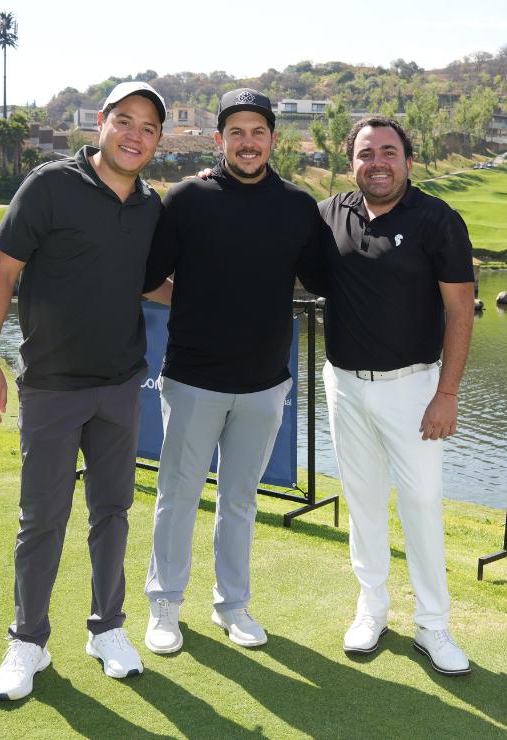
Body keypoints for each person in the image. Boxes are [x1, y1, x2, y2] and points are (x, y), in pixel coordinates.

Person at [0, 81, 166, 701]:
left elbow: (151, 286)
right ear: (101, 124)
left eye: (149, 128)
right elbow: (2, 272)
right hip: (52, 387)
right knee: (42, 519)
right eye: (125, 121)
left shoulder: (150, 208)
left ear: (158, 141)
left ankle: (106, 628)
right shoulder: (50, 185)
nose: (135, 135)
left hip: (121, 386)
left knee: (113, 513)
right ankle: (28, 642)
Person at [139, 88, 326, 655]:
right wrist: (198, 304)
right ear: (220, 140)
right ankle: (165, 607)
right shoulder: (187, 199)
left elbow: (322, 277)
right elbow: (148, 277)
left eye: (258, 132)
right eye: (236, 132)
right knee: (178, 495)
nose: (248, 143)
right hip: (193, 378)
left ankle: (232, 607)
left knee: (240, 501)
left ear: (273, 139)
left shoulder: (297, 205)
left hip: (266, 383)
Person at [318, 117, 475, 675]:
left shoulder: (437, 220)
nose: (377, 162)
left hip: (414, 388)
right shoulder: (331, 213)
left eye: (389, 152)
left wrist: (447, 393)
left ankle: (433, 625)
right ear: (352, 162)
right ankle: (373, 608)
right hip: (344, 384)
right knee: (361, 502)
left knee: (423, 506)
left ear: (409, 159)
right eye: (365, 153)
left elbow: (460, 310)